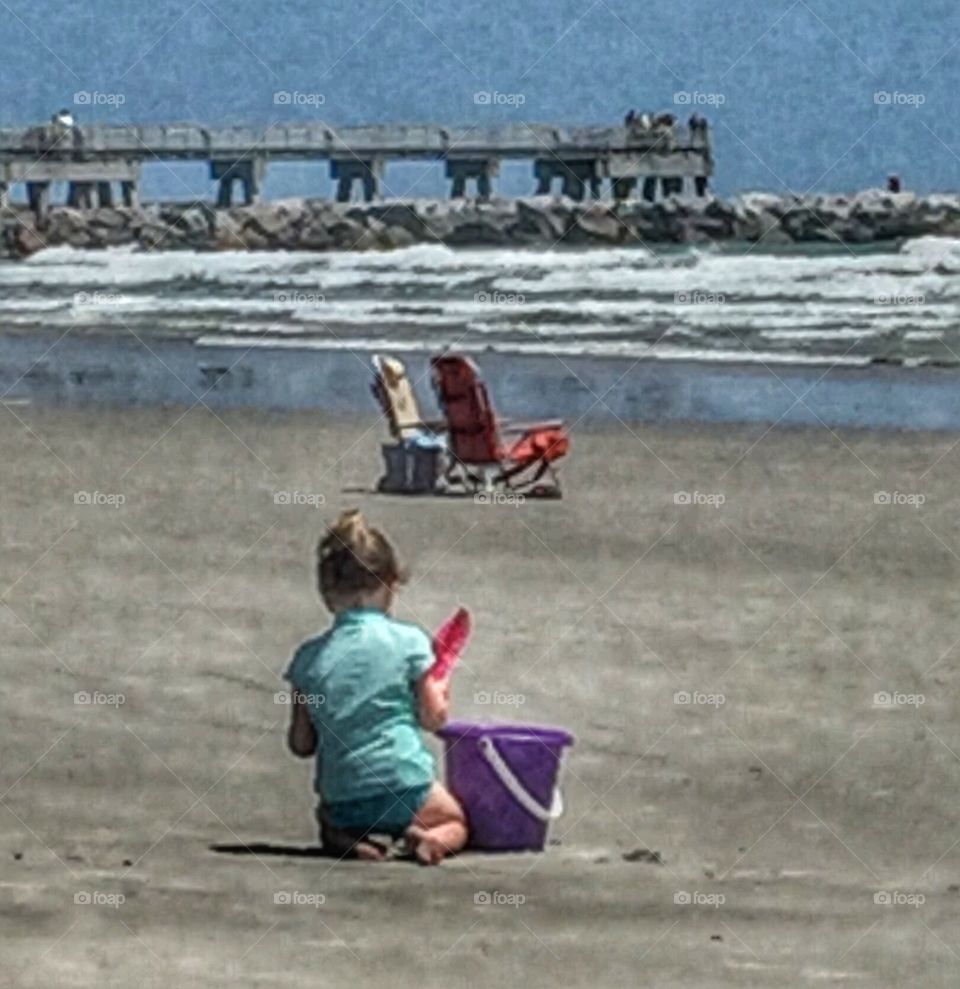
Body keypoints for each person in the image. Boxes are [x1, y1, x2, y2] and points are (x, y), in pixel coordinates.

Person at [284, 510, 468, 864]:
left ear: (326, 592)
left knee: (329, 822)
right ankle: (431, 840)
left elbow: (301, 744)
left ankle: (348, 841)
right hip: (405, 783)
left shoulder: (307, 660)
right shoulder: (410, 642)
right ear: (389, 584)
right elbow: (434, 719)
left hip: (344, 797)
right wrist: (442, 685)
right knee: (453, 820)